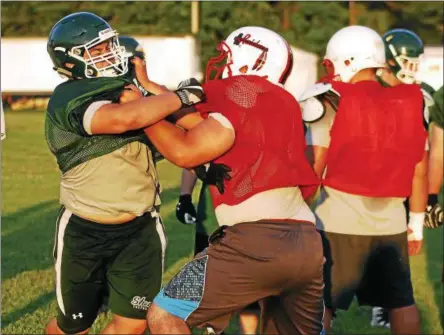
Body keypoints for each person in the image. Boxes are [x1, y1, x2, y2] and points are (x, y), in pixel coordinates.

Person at [143, 26, 324, 335]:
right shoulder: (282, 103)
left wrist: (143, 112)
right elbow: (202, 122)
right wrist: (150, 88)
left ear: (249, 60)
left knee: (165, 313)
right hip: (307, 243)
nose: (222, 63)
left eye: (228, 56)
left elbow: (186, 151)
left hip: (254, 241)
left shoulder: (240, 92)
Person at [44, 11, 204, 335]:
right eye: (98, 49)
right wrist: (180, 96)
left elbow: (195, 128)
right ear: (72, 60)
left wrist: (148, 86)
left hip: (140, 229)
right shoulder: (69, 95)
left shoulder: (132, 92)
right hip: (85, 229)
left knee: (132, 325)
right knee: (72, 327)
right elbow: (119, 120)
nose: (111, 53)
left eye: (109, 45)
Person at [300, 25, 425, 335]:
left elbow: (314, 166)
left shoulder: (329, 99)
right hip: (392, 222)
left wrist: (293, 212)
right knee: (401, 302)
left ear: (346, 60)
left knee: (322, 302)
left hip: (338, 222)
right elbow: (419, 168)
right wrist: (417, 223)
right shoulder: (410, 99)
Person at [176, 170, 260, 334]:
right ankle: (212, 331)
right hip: (212, 217)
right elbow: (192, 160)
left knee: (251, 292)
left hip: (250, 217)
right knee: (210, 287)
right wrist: (185, 197)